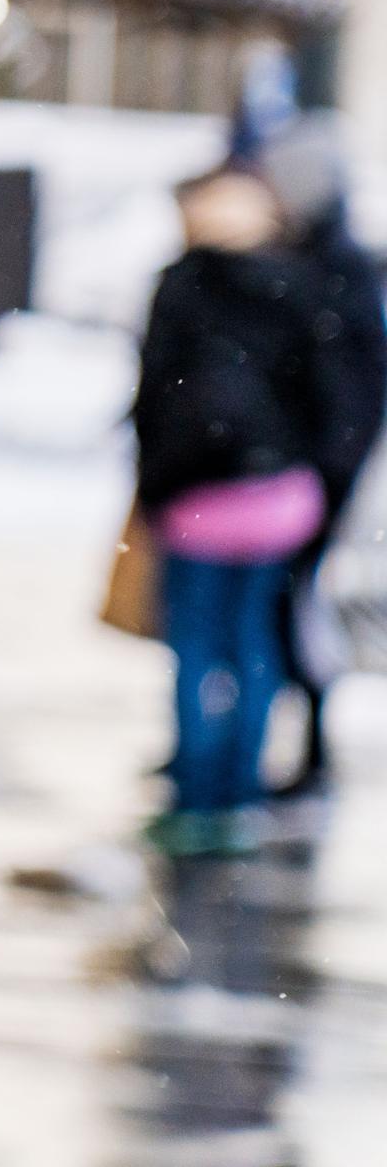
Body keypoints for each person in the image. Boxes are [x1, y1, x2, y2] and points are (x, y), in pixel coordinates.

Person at [132, 161, 361, 854]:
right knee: (255, 644)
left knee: (198, 648)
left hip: (198, 497)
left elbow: (154, 395)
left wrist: (153, 487)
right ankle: (239, 793)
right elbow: (329, 395)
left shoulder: (183, 285)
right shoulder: (298, 284)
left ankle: (198, 797)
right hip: (276, 496)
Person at [246, 114, 384, 799]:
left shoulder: (337, 265)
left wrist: (328, 468)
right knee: (281, 609)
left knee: (292, 608)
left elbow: (352, 383)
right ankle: (283, 746)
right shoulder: (312, 255)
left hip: (313, 472)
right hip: (302, 466)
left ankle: (309, 750)